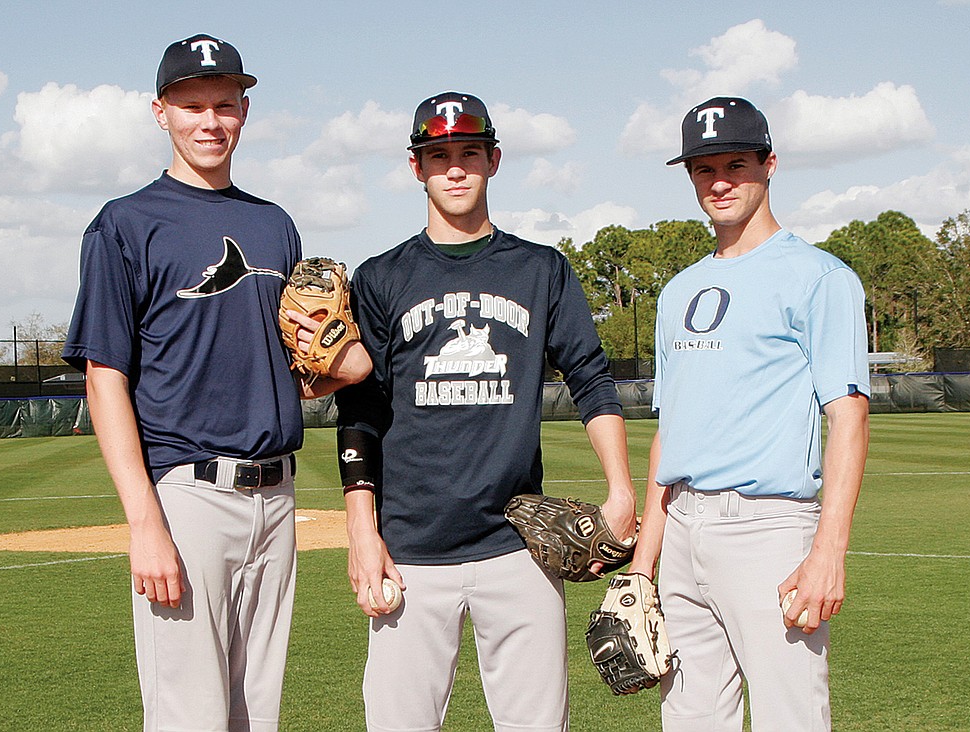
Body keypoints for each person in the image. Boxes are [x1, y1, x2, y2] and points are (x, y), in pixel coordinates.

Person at [62, 33, 370, 731]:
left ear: (245, 111)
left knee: (257, 714)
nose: (210, 121)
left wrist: (342, 365)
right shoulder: (125, 224)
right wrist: (145, 522)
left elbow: (293, 370)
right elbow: (104, 377)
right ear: (160, 111)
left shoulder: (273, 225)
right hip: (187, 497)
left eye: (223, 105)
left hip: (277, 495)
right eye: (192, 105)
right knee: (189, 716)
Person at [333, 91, 638, 732]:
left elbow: (590, 378)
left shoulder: (540, 270)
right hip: (410, 549)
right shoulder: (381, 277)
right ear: (416, 167)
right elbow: (358, 410)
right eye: (438, 154)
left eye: (469, 152)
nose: (454, 168)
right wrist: (363, 531)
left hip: (518, 548)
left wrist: (620, 490)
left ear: (493, 160)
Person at [626, 97, 870, 731]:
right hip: (681, 527)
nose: (720, 181)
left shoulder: (820, 277)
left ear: (770, 165)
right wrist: (642, 568)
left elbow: (848, 416)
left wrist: (829, 550)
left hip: (768, 529)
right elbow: (667, 434)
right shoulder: (678, 290)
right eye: (704, 168)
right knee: (689, 717)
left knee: (791, 716)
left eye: (736, 163)